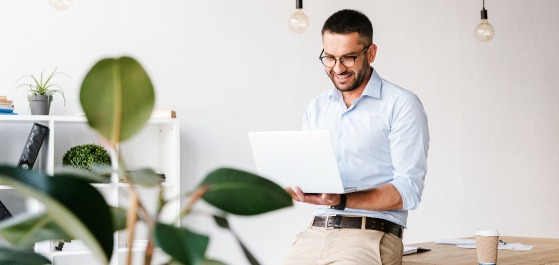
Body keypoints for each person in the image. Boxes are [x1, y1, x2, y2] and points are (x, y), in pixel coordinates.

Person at [284, 9, 429, 265]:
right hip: (314, 234)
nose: (337, 68)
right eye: (329, 58)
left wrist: (341, 200)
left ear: (370, 53)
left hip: (370, 235)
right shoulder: (317, 108)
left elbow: (408, 190)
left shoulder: (401, 104)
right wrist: (296, 187)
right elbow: (311, 176)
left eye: (348, 58)